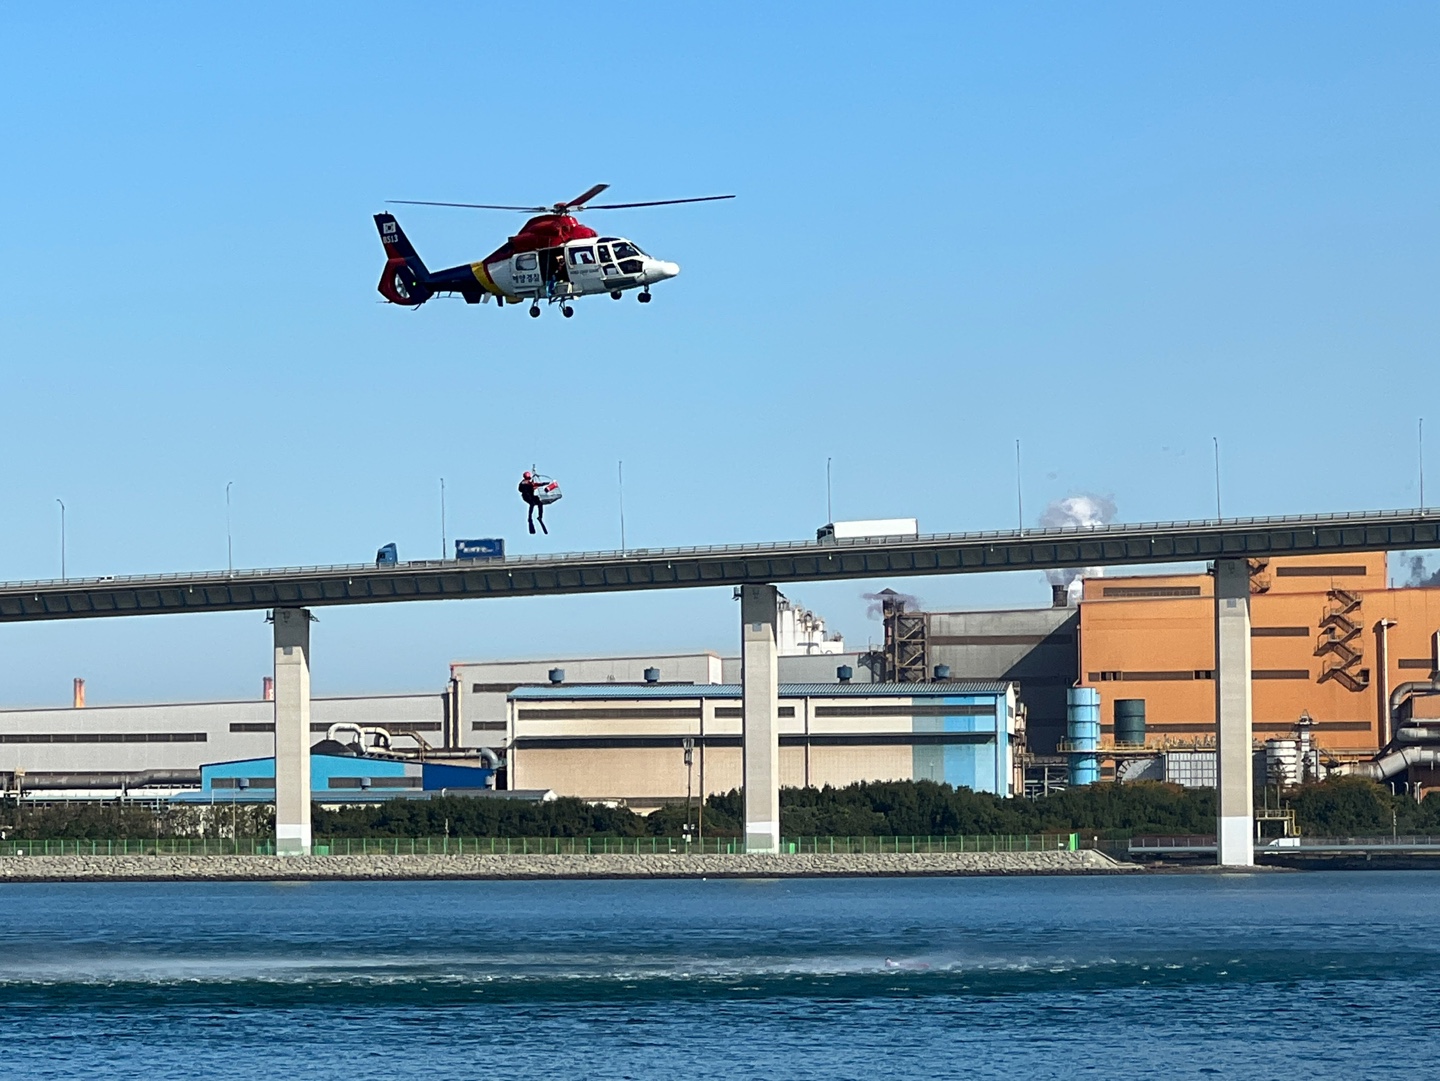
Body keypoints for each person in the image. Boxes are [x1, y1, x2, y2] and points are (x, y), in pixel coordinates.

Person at [519, 470, 548, 535]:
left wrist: (543, 484)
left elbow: (535, 485)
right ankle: (530, 517)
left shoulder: (529, 483)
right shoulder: (524, 483)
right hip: (526, 497)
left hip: (531, 496)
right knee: (532, 503)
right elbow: (521, 489)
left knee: (539, 502)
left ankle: (540, 516)